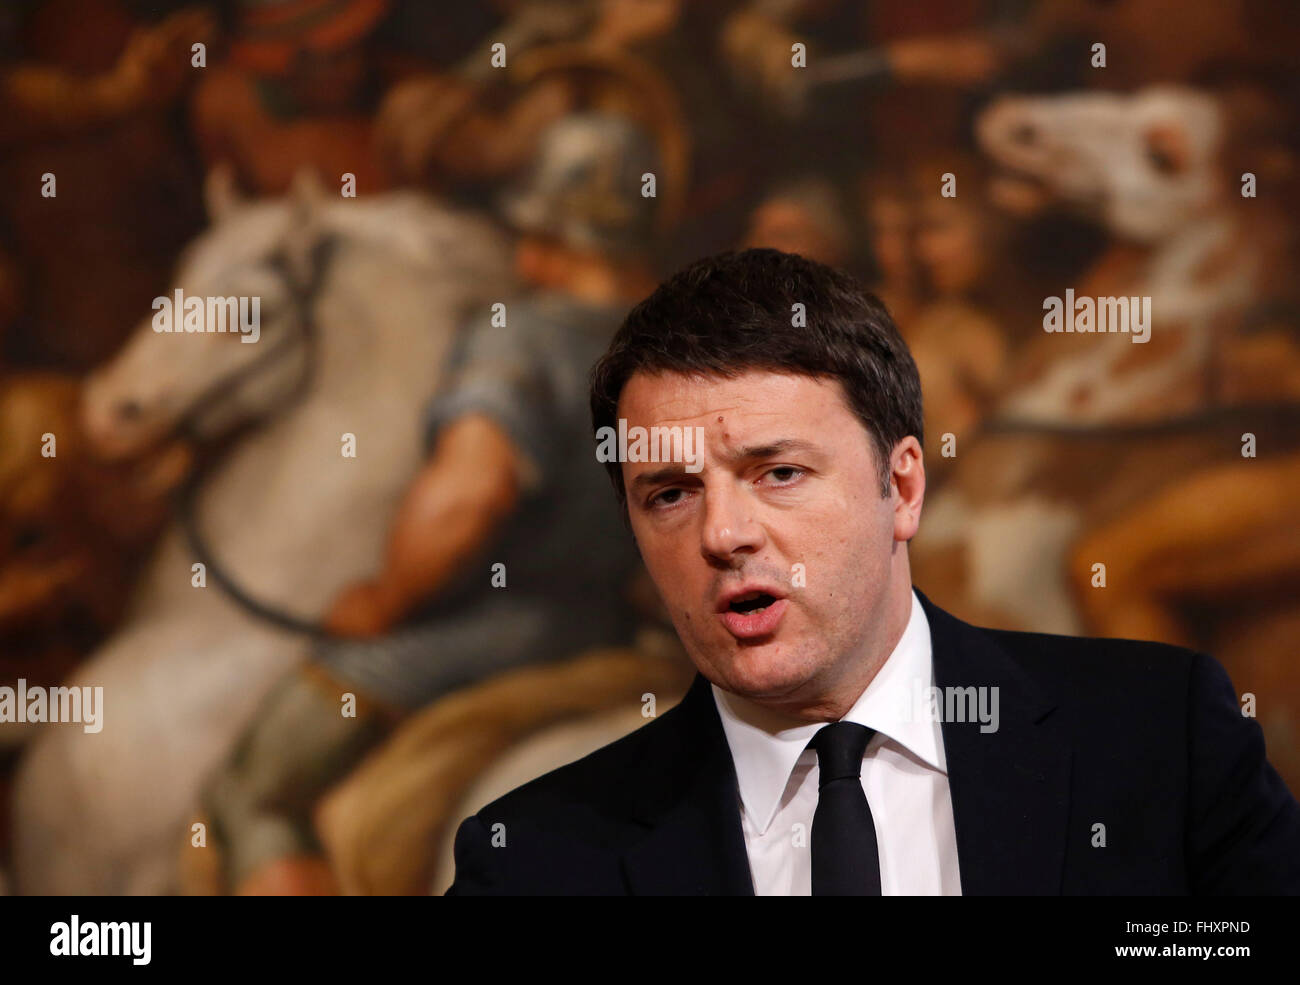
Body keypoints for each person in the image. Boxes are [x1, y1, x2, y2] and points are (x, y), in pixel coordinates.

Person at [446, 247, 1300, 895]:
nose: (724, 533)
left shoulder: (1158, 738)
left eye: (778, 472)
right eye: (669, 493)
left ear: (901, 487)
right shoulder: (534, 860)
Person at [201, 111, 662, 895]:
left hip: (489, 636)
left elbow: (466, 498)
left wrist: (384, 596)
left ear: (537, 225)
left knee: (255, 792)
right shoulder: (682, 346)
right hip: (614, 634)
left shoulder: (518, 334)